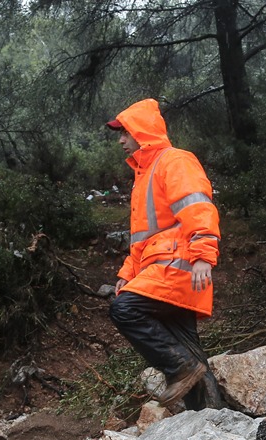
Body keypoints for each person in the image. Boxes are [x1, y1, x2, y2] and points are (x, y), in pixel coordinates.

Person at [106, 98, 221, 409]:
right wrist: (127, 274)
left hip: (178, 267)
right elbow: (143, 239)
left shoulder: (174, 161)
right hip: (166, 268)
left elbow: (198, 207)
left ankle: (179, 368)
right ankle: (214, 420)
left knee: (124, 309)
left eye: (125, 133)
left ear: (141, 132)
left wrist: (202, 256)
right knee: (191, 353)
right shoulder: (144, 175)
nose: (120, 141)